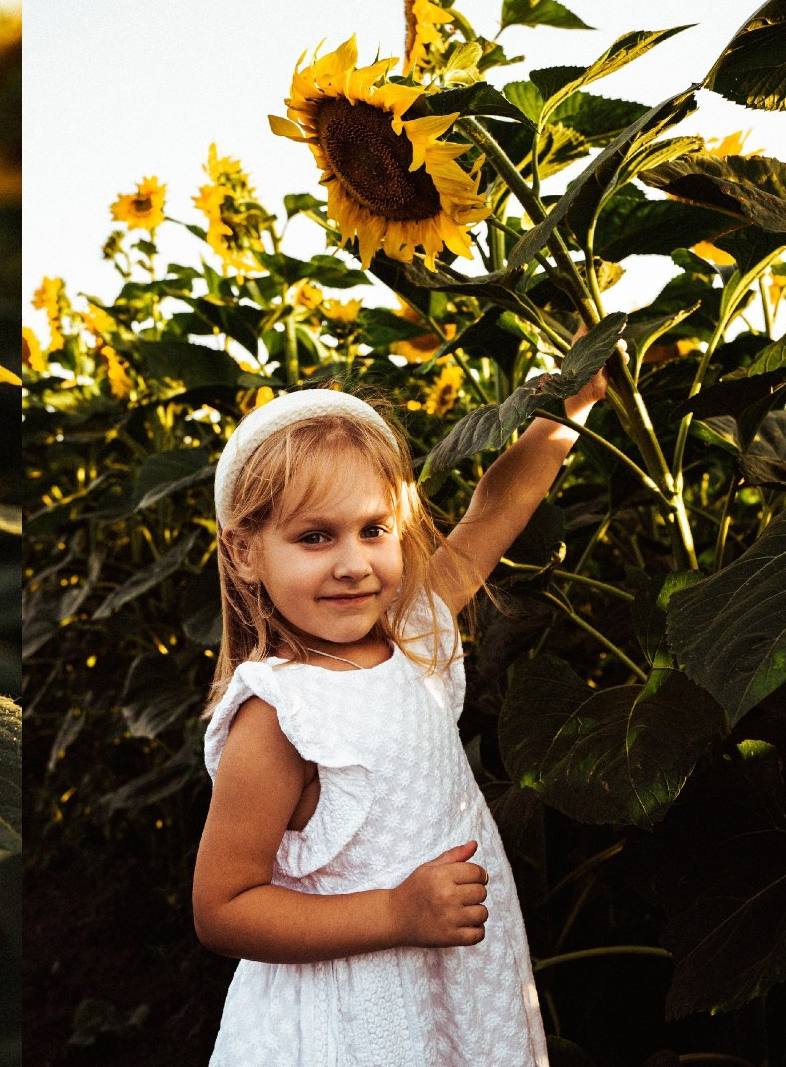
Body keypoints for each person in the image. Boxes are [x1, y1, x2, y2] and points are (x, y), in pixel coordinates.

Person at [192, 376, 605, 1066]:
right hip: (354, 1020)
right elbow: (223, 907)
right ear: (244, 552)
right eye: (316, 537)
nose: (354, 564)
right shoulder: (279, 716)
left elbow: (497, 510)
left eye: (374, 529)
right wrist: (395, 913)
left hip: (457, 983)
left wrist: (576, 398)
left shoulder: (414, 630)